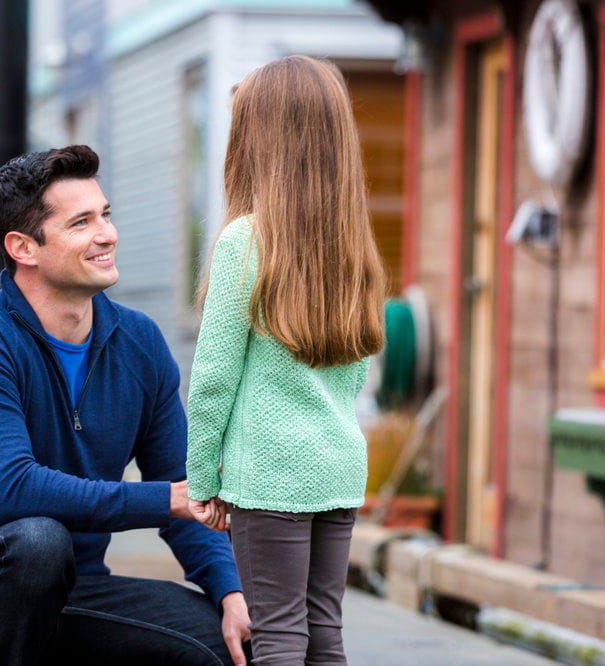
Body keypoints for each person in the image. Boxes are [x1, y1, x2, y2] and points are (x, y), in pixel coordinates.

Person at [0, 144, 251, 665]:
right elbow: (13, 492)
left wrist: (229, 592)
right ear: (23, 247)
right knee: (37, 543)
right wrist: (164, 499)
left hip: (78, 589)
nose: (107, 234)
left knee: (230, 645)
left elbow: (186, 488)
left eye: (105, 215)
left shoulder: (139, 343)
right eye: (81, 223)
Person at [185, 55, 387, 665]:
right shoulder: (354, 246)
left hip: (270, 474)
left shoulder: (246, 240)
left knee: (276, 634)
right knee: (325, 629)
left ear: (260, 138)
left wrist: (203, 478)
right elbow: (356, 368)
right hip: (339, 468)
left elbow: (213, 379)